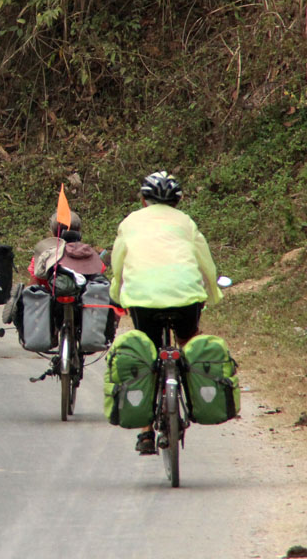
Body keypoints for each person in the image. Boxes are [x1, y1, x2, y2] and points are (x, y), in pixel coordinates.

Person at [109, 170, 221, 455]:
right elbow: (204, 260)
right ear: (178, 201)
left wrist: (116, 292)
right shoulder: (185, 223)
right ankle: (194, 392)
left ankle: (146, 432)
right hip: (186, 298)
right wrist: (214, 291)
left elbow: (118, 262)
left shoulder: (130, 222)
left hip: (142, 300)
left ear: (143, 200)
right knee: (188, 342)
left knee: (147, 352)